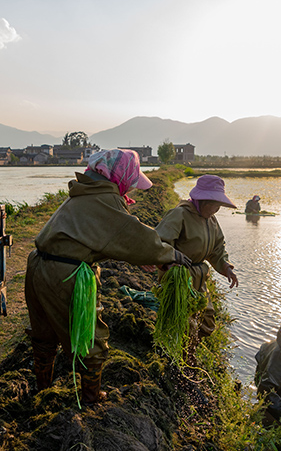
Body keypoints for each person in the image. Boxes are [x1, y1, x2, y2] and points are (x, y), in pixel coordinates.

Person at [25, 149, 191, 404]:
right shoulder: (104, 199)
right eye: (131, 182)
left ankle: (42, 388)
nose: (132, 190)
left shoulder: (84, 193)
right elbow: (133, 235)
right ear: (120, 177)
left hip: (38, 265)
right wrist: (169, 254)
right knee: (91, 335)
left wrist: (143, 257)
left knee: (44, 334)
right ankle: (92, 396)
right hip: (65, 275)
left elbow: (100, 237)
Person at [155, 174, 239, 355]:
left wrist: (226, 267)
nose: (217, 209)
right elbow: (159, 243)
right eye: (214, 204)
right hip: (179, 277)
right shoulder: (180, 215)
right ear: (201, 200)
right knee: (183, 322)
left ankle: (188, 351)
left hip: (200, 278)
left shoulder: (211, 221)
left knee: (206, 322)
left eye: (219, 205)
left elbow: (218, 247)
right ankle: (179, 357)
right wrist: (169, 263)